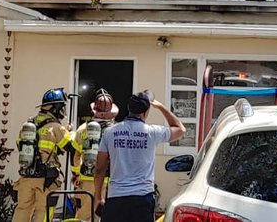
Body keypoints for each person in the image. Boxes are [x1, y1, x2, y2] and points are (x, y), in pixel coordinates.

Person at [93, 91, 186, 222]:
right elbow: (180, 129)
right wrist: (160, 107)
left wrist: (98, 196)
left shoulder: (110, 133)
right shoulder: (152, 132)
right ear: (146, 112)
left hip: (116, 197)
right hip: (143, 198)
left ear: (128, 109)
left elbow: (99, 169)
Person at [13, 88, 73, 222]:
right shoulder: (56, 127)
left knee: (22, 210)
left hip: (26, 177)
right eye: (62, 107)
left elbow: (20, 145)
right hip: (47, 180)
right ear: (56, 108)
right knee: (44, 211)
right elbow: (69, 147)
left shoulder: (27, 125)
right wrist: (69, 131)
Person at [67, 88, 119, 219]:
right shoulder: (116, 130)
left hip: (87, 179)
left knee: (84, 216)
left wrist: (76, 174)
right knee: (106, 216)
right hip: (108, 181)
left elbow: (75, 154)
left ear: (93, 110)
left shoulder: (83, 129)